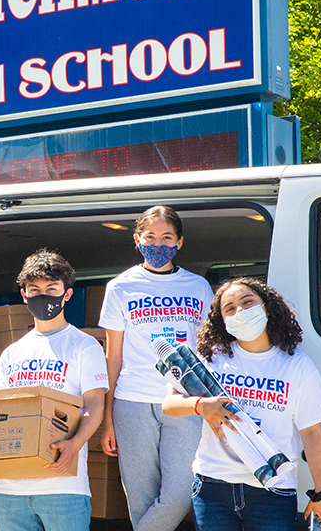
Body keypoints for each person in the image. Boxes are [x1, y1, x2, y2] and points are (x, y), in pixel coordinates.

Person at [162, 278, 321, 530]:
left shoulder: (297, 365)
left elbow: (311, 432)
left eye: (247, 302)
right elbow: (169, 403)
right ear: (222, 320)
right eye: (229, 308)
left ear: (266, 308)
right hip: (212, 487)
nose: (240, 311)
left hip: (272, 492)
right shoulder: (211, 358)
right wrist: (201, 405)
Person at [98, 205, 213, 530]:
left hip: (186, 402)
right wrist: (107, 418)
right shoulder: (120, 287)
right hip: (132, 402)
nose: (158, 244)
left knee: (179, 494)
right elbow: (113, 357)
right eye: (150, 237)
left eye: (166, 238)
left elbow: (208, 351)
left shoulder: (198, 287)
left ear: (179, 242)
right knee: (141, 500)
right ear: (137, 240)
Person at [0, 250, 108, 531]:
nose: (43, 296)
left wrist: (74, 445)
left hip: (63, 486)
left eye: (51, 289)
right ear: (24, 295)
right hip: (9, 492)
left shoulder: (84, 345)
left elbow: (94, 405)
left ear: (67, 294)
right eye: (35, 290)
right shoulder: (12, 352)